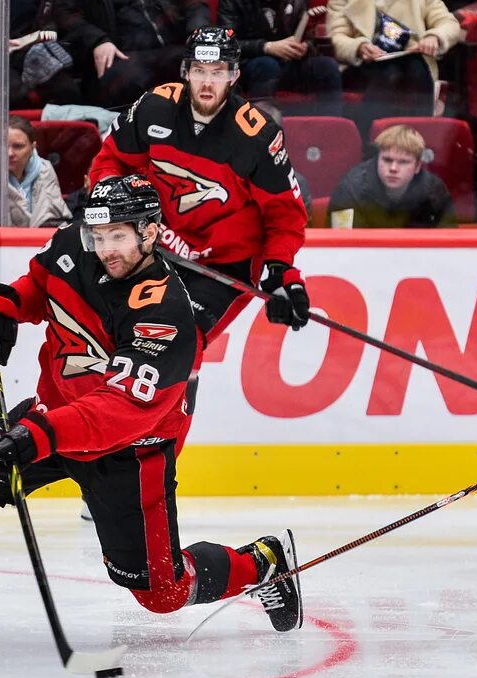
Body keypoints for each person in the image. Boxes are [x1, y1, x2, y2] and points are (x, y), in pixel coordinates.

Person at [0, 174, 304, 636]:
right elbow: (41, 285)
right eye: (98, 234)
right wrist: (5, 306)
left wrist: (40, 435)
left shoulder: (168, 315)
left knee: (161, 593)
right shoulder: (76, 244)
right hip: (52, 419)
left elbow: (119, 411)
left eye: (118, 235)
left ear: (151, 232)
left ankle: (262, 562)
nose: (105, 248)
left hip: (131, 451)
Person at [83, 26, 309, 520]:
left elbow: (286, 215)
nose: (208, 83)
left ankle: (153, 473)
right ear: (186, 73)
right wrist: (114, 208)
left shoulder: (257, 136)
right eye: (200, 72)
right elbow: (110, 162)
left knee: (178, 349)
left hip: (224, 266)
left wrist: (282, 272)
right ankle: (113, 458)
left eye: (218, 72)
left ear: (234, 75)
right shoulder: (153, 109)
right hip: (160, 248)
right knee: (118, 338)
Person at [325, 0, 461, 135]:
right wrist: (359, 47)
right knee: (390, 73)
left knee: (413, 68)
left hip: (412, 61)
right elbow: (335, 37)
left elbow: (449, 24)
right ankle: (371, 143)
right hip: (363, 64)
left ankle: (417, 142)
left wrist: (434, 36)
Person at [52, 0, 210, 108]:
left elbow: (195, 6)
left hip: (173, 51)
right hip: (120, 58)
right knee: (132, 76)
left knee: (208, 60)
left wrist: (197, 31)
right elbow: (64, 14)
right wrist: (98, 40)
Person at [218, 0, 343, 116]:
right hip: (250, 65)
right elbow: (226, 44)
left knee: (327, 66)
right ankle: (261, 132)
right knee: (267, 65)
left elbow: (310, 39)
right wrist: (266, 47)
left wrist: (305, 46)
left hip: (290, 62)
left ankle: (330, 130)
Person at [327, 124, 457, 228]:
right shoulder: (349, 190)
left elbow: (449, 246)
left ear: (417, 166)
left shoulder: (434, 191)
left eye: (403, 162)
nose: (393, 168)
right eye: (387, 160)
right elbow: (344, 248)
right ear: (377, 158)